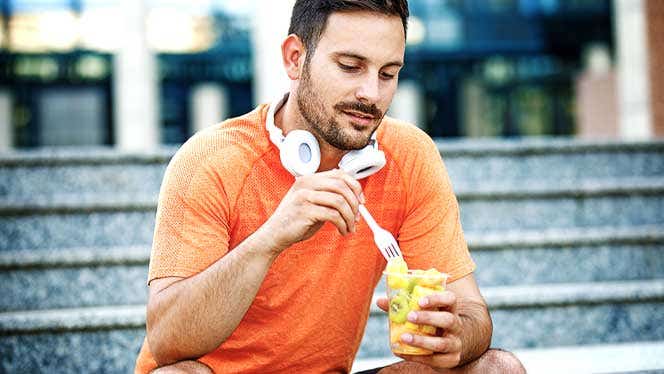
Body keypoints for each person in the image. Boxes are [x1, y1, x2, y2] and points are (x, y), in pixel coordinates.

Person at [135, 1, 526, 373]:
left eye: (388, 74)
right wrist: (270, 238)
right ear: (295, 58)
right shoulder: (210, 160)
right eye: (351, 67)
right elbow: (168, 340)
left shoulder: (409, 156)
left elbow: (474, 313)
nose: (371, 94)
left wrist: (458, 336)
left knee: (499, 368)